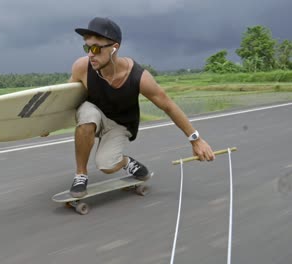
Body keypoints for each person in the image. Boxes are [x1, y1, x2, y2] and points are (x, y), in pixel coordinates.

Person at [67, 17, 215, 198]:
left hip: (119, 124)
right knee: (87, 113)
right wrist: (44, 124)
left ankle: (127, 162)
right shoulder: (81, 67)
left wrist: (196, 140)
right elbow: (67, 98)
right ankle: (81, 175)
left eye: (96, 48)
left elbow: (167, 105)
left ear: (114, 47)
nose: (90, 54)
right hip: (94, 115)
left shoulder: (138, 77)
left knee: (106, 165)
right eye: (87, 48)